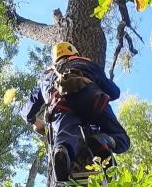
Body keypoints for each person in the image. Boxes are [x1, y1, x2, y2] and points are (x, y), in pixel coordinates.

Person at [20, 42, 131, 182]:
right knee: (122, 138)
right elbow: (115, 93)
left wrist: (34, 122)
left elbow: (27, 110)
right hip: (95, 104)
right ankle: (105, 140)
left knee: (66, 133)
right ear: (74, 52)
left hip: (61, 107)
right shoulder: (87, 63)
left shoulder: (47, 75)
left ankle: (63, 152)